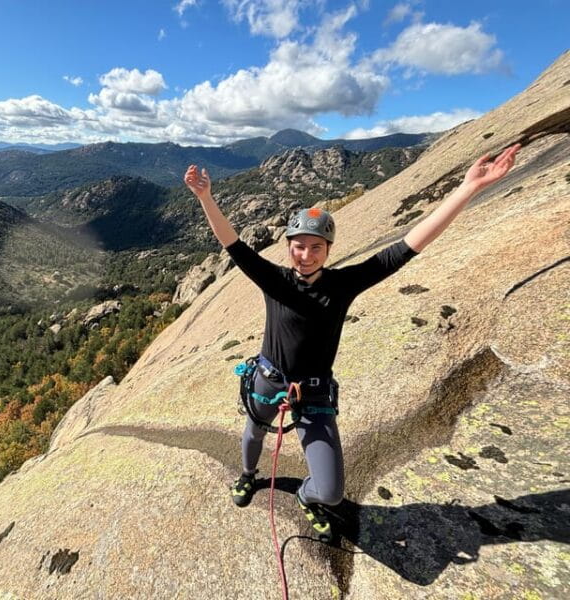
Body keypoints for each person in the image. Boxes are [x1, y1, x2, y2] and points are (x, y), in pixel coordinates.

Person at [183, 144, 520, 540]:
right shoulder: (275, 281)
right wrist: (206, 197)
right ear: (288, 245)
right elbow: (233, 245)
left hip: (313, 393)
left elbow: (407, 247)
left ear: (328, 250)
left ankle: (308, 497)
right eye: (299, 246)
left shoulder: (343, 285)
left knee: (331, 491)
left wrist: (467, 189)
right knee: (254, 433)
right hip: (268, 379)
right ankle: (248, 476)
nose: (306, 255)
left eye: (316, 248)